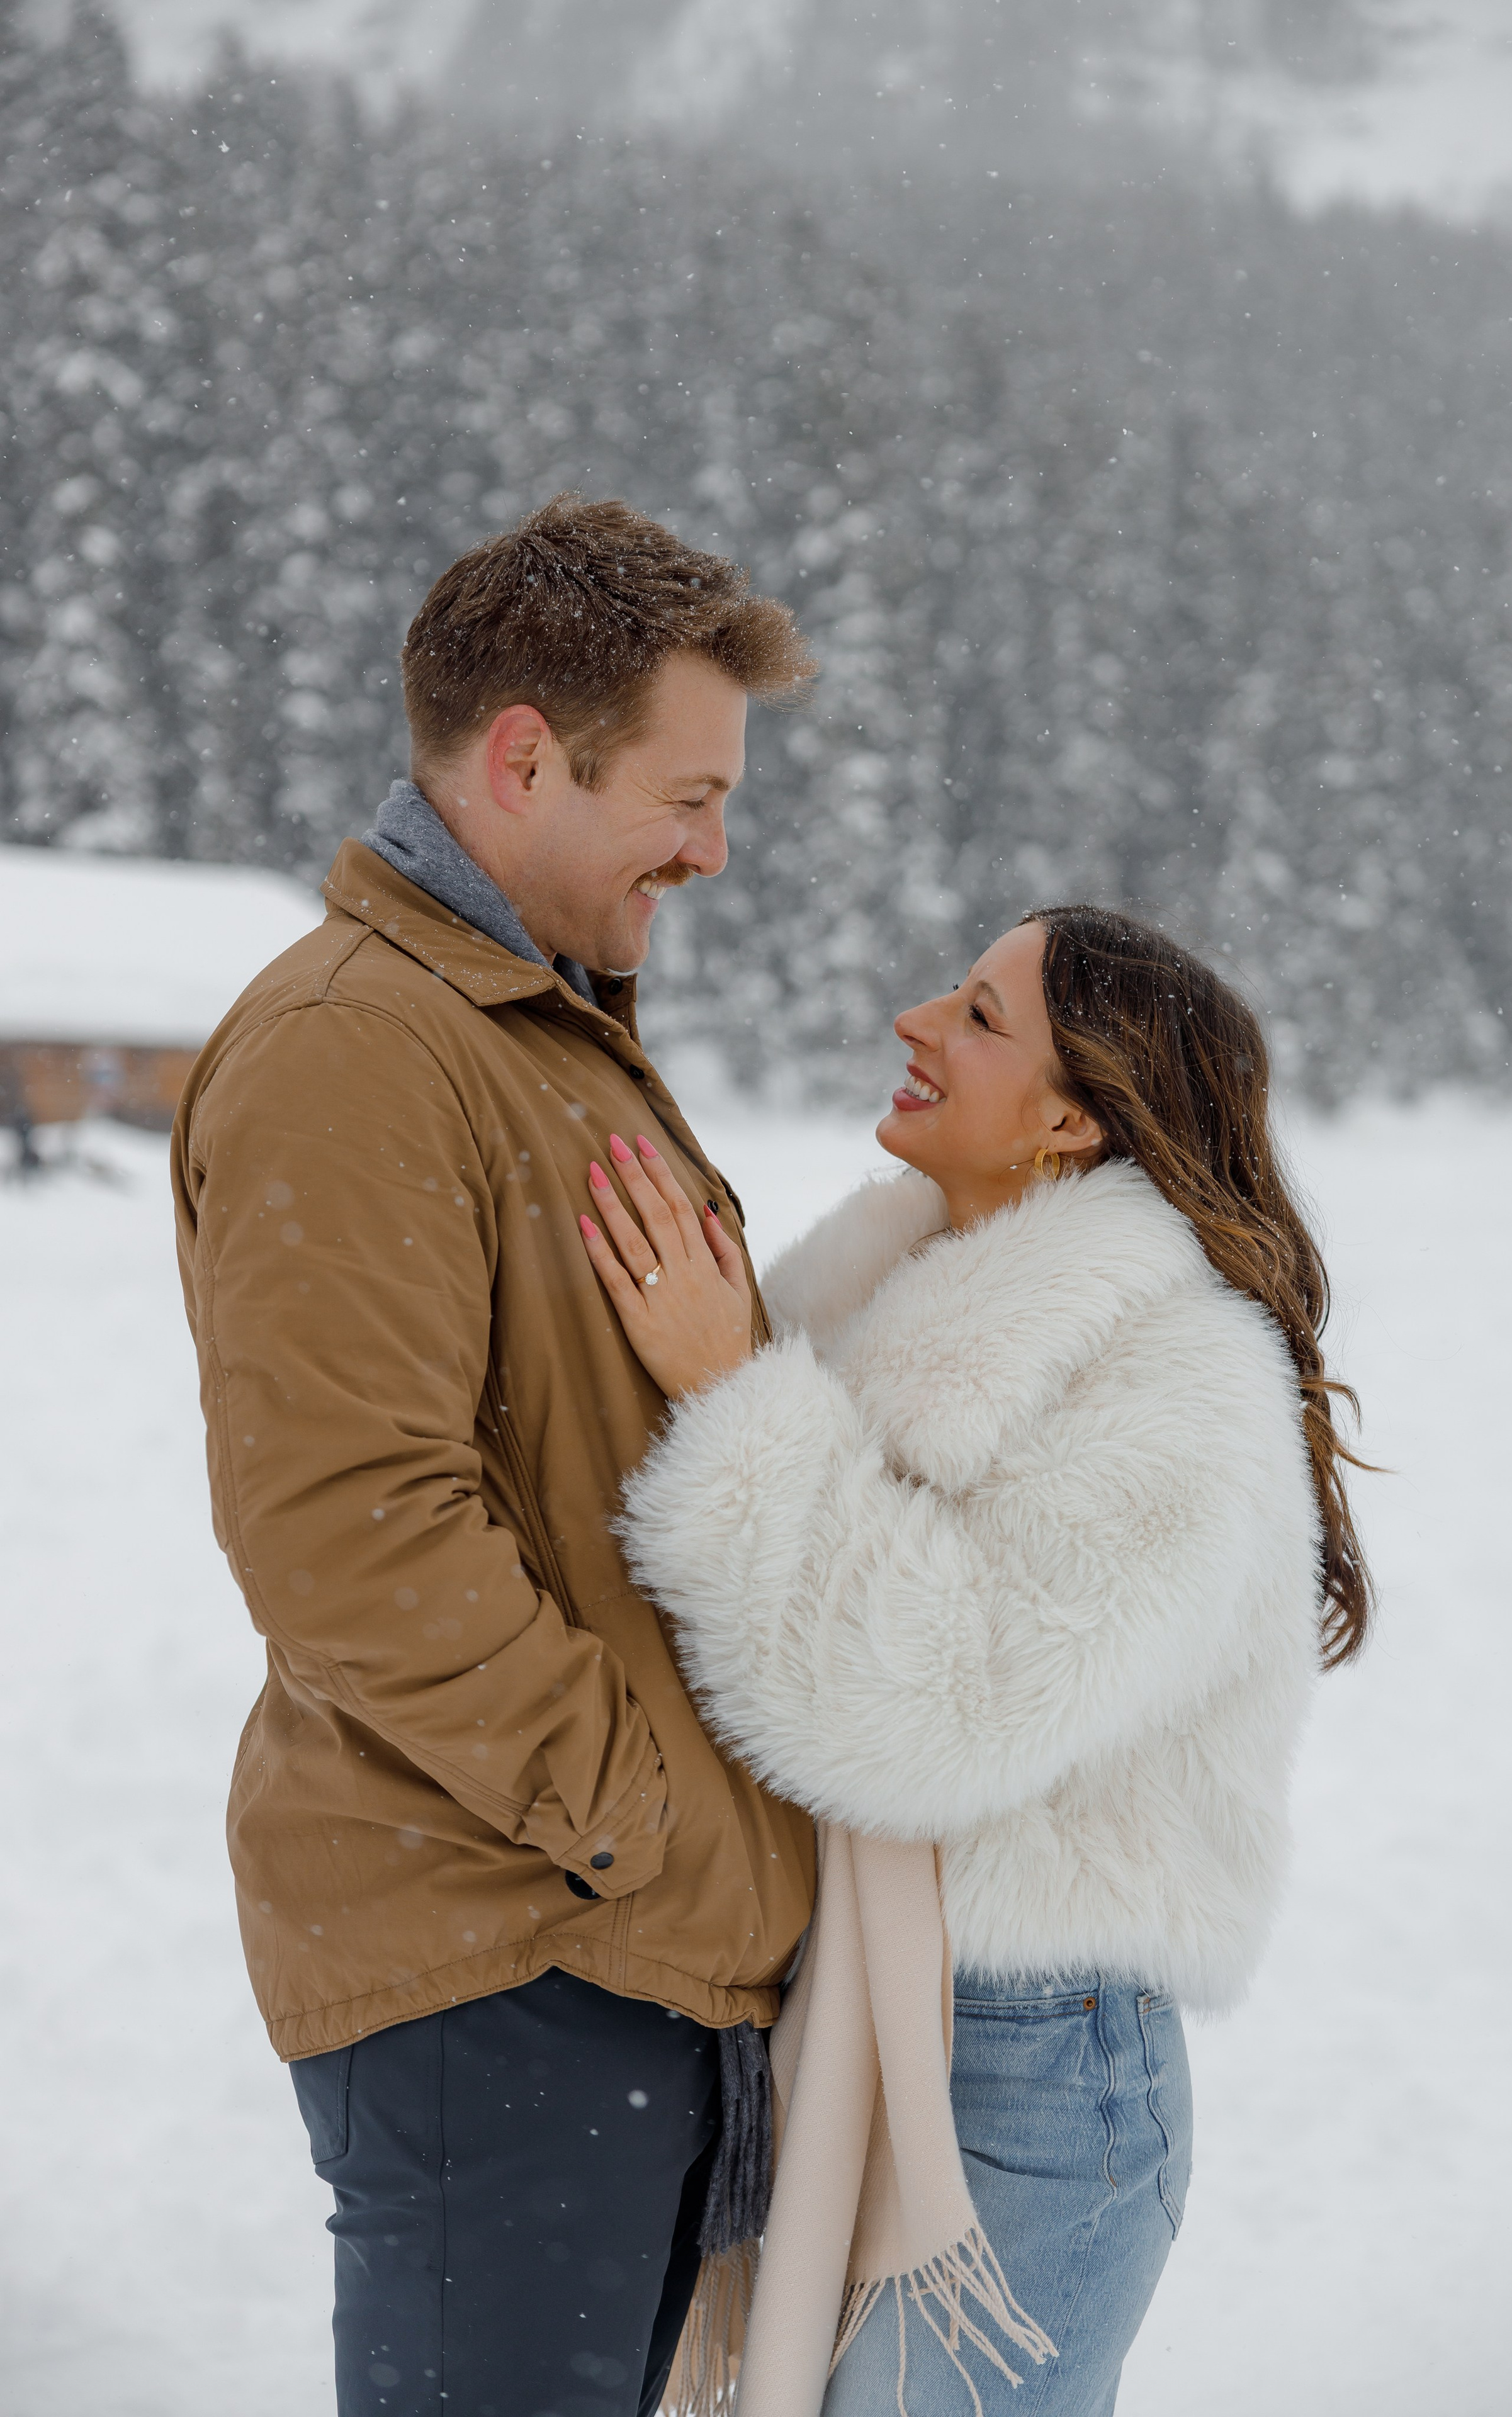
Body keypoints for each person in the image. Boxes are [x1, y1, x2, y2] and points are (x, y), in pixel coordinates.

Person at [171, 495, 819, 2417]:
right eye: (686, 798)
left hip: (603, 1957)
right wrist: (663, 1835)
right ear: (527, 759)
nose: (712, 851)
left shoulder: (528, 1034)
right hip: (513, 1958)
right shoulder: (358, 1049)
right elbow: (352, 1536)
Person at [578, 904, 1372, 2416]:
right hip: (848, 2010)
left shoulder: (1177, 1375)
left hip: (1028, 2061)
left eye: (979, 1014)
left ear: (1070, 1119)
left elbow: (945, 1706)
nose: (915, 1019)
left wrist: (732, 1392)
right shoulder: (873, 1297)